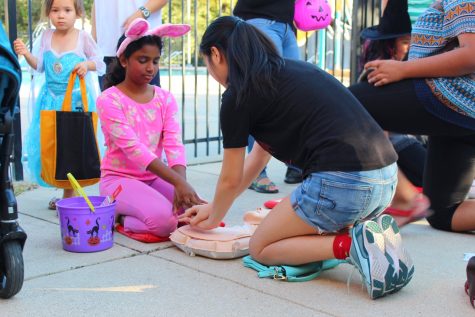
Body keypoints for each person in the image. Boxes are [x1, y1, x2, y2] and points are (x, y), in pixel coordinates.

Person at [180, 16, 413, 299]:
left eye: (207, 62)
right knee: (300, 228)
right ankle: (370, 239)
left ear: (216, 54)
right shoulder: (291, 72)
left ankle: (351, 245)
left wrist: (213, 218)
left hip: (344, 184)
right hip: (386, 180)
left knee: (261, 247)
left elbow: (230, 178)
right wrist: (215, 206)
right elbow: (258, 159)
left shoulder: (237, 96)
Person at [349, 0, 475, 232]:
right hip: (461, 112)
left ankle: (404, 199)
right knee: (443, 212)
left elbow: (471, 55)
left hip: (455, 97)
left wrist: (402, 70)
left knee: (347, 104)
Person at [97, 18, 204, 238]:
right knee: (165, 223)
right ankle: (120, 218)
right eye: (143, 60)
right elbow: (135, 150)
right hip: (118, 181)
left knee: (196, 213)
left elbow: (174, 143)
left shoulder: (164, 98)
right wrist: (176, 183)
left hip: (153, 178)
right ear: (124, 60)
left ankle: (155, 211)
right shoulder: (109, 100)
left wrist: (180, 185)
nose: (150, 68)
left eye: (155, 61)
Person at [13, 0, 105, 210]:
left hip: (74, 101)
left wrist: (86, 64)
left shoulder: (82, 37)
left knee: (71, 145)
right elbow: (41, 66)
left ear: (78, 13)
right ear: (48, 13)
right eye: (55, 10)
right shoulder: (47, 36)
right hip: (51, 100)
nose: (60, 15)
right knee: (54, 144)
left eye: (66, 10)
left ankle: (67, 195)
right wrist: (26, 54)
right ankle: (61, 185)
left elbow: (100, 62)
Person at [359, 0, 431, 227]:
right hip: (396, 149)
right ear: (390, 45)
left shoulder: (406, 67)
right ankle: (405, 196)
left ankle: (406, 196)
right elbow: (381, 134)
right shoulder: (381, 72)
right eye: (404, 42)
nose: (409, 48)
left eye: (411, 42)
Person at [233, 0, 303, 192]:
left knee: (294, 94)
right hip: (259, 20)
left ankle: (295, 165)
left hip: (287, 24)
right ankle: (257, 173)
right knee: (261, 96)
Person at [92, 0, 168, 90]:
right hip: (106, 48)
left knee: (150, 101)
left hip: (143, 45)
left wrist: (142, 12)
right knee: (109, 101)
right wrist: (94, 37)